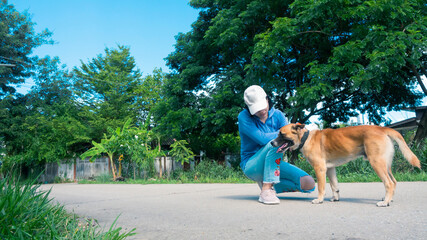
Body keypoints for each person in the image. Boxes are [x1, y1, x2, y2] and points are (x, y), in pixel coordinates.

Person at [238, 85, 315, 204]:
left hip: (274, 164)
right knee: (276, 143)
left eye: (263, 106)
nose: (261, 111)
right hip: (252, 164)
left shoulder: (278, 115)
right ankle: (266, 190)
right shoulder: (244, 117)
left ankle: (268, 181)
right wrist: (284, 136)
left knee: (308, 183)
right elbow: (263, 139)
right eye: (256, 109)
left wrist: (288, 139)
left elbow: (291, 142)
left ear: (267, 100)